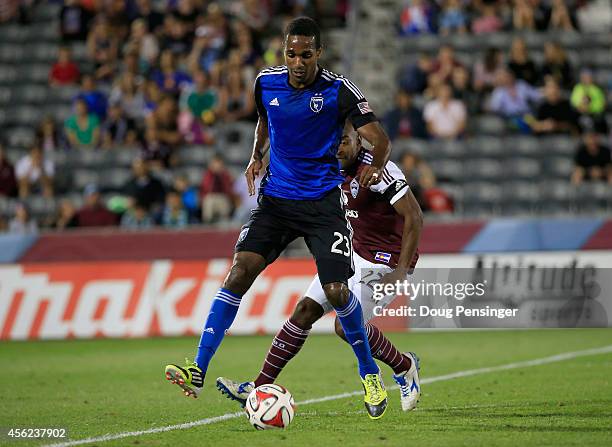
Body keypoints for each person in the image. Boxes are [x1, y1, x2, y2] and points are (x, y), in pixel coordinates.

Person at [164, 17, 392, 419]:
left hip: (323, 204)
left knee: (338, 291)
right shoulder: (266, 82)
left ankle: (370, 374)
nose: (298, 62)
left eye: (306, 54)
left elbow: (380, 138)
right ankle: (197, 367)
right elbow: (264, 121)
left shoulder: (339, 90)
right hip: (277, 201)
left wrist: (375, 166)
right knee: (239, 272)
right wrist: (256, 155)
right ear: (282, 52)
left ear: (318, 53)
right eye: (291, 53)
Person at [216, 121, 422, 412]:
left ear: (359, 142)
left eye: (344, 141)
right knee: (305, 311)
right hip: (355, 252)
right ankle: (258, 387)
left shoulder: (377, 171)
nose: (338, 147)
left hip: (386, 260)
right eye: (333, 142)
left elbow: (414, 217)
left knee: (344, 325)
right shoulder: (327, 168)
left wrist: (400, 271)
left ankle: (404, 367)